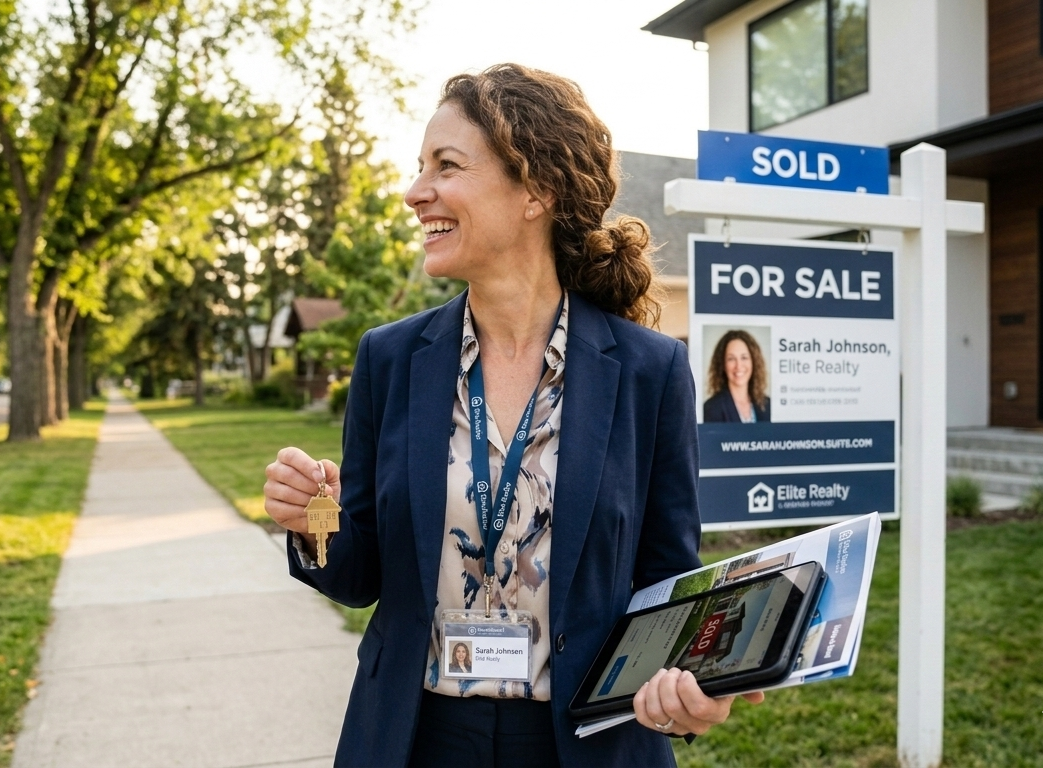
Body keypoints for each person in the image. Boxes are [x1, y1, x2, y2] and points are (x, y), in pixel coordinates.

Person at [263, 64, 763, 768]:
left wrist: (691, 686)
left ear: (535, 190)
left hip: (585, 743)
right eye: (418, 168)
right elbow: (360, 573)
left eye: (446, 166)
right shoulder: (391, 358)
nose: (415, 193)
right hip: (415, 738)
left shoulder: (651, 372)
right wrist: (312, 519)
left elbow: (666, 581)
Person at [703, 330, 771, 423]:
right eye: (731, 359)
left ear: (754, 361)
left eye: (744, 357)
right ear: (722, 364)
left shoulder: (767, 404)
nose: (738, 366)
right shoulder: (711, 408)